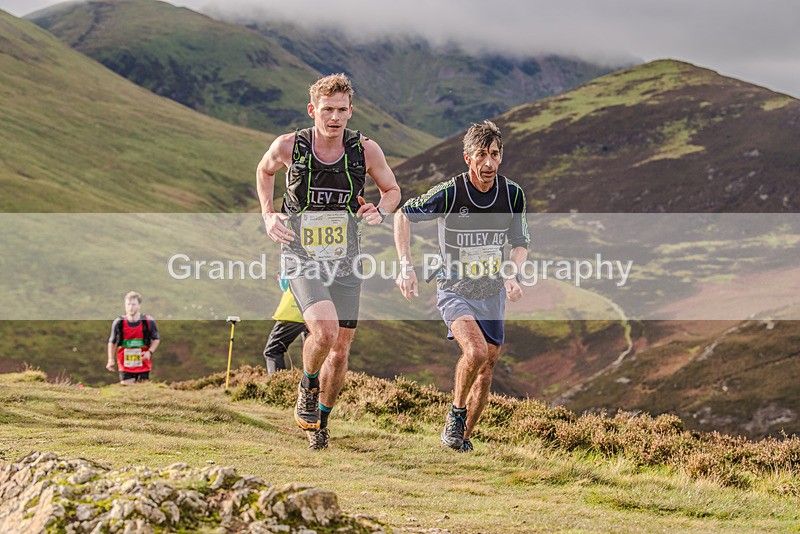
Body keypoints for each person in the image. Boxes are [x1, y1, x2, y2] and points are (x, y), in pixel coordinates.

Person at [256, 73, 401, 450]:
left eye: (341, 110)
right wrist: (268, 214)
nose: (334, 117)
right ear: (312, 110)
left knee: (340, 349)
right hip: (301, 255)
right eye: (327, 110)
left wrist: (380, 212)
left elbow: (392, 190)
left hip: (346, 259)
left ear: (351, 111)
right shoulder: (290, 146)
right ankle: (306, 384)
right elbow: (264, 171)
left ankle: (320, 423)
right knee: (324, 333)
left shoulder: (366, 150)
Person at [394, 120, 529, 452]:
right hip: (454, 289)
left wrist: (511, 275)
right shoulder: (450, 192)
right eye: (481, 155)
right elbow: (403, 215)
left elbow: (520, 242)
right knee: (476, 351)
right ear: (467, 157)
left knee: (487, 366)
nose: (488, 163)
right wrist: (405, 267)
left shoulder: (512, 194)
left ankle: (461, 440)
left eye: (494, 155)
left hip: (492, 292)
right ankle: (455, 416)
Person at [106, 291, 160, 385]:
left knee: (142, 391)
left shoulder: (148, 321)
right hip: (125, 364)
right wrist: (110, 359)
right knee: (127, 390)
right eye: (128, 304)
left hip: (143, 364)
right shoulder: (119, 323)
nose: (130, 307)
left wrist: (149, 352)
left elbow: (156, 339)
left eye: (134, 304)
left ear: (139, 305)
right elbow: (112, 341)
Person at [263, 277, 307, 374]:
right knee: (311, 353)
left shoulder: (293, 262)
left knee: (273, 351)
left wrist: (282, 278)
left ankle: (279, 385)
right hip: (317, 312)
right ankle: (314, 386)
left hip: (293, 311)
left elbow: (285, 283)